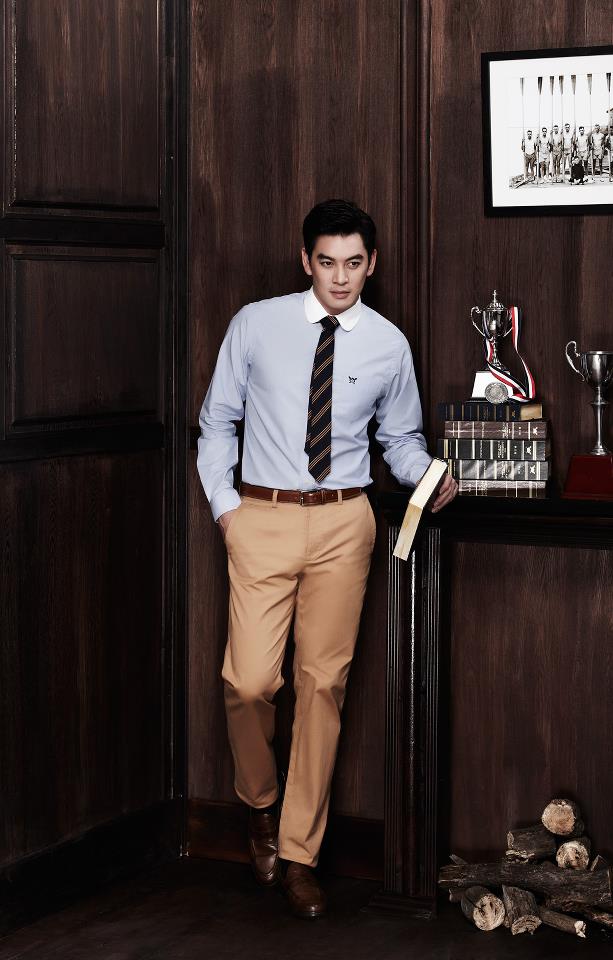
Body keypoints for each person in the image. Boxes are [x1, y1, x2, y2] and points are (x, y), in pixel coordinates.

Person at [196, 199, 457, 919]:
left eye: (353, 263)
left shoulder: (388, 344)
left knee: (321, 688)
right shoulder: (255, 325)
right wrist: (226, 511)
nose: (340, 278)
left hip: (346, 521)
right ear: (305, 260)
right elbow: (216, 423)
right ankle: (259, 806)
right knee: (249, 682)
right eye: (326, 262)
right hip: (263, 517)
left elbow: (399, 441)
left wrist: (429, 477)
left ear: (371, 265)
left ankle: (299, 854)